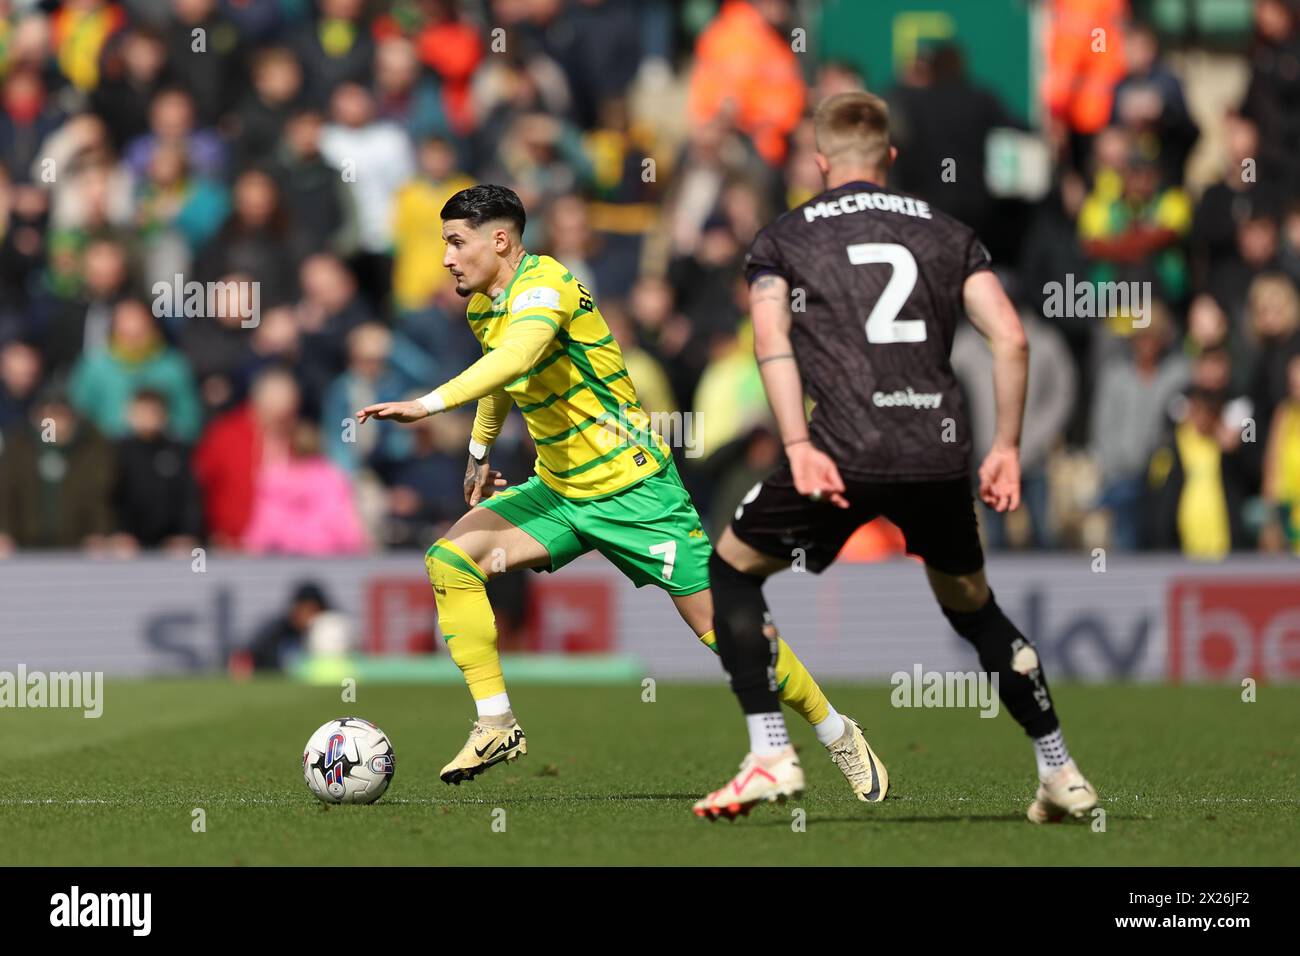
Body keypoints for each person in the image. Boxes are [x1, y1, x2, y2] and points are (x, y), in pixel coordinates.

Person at [357, 184, 878, 797]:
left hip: (636, 492)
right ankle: (496, 722)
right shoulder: (481, 306)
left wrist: (427, 405)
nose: (445, 257)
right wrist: (478, 449)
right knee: (450, 561)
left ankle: (835, 729)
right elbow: (506, 375)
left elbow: (518, 352)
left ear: (499, 240)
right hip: (559, 492)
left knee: (728, 635)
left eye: (455, 242)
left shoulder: (547, 287)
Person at [692, 92, 1099, 823]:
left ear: (820, 162)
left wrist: (796, 446)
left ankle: (772, 754)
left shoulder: (786, 237)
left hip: (842, 449)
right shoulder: (948, 232)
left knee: (729, 569)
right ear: (891, 158)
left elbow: (770, 341)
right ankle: (1060, 770)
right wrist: (1004, 447)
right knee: (976, 610)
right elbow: (1011, 335)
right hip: (936, 452)